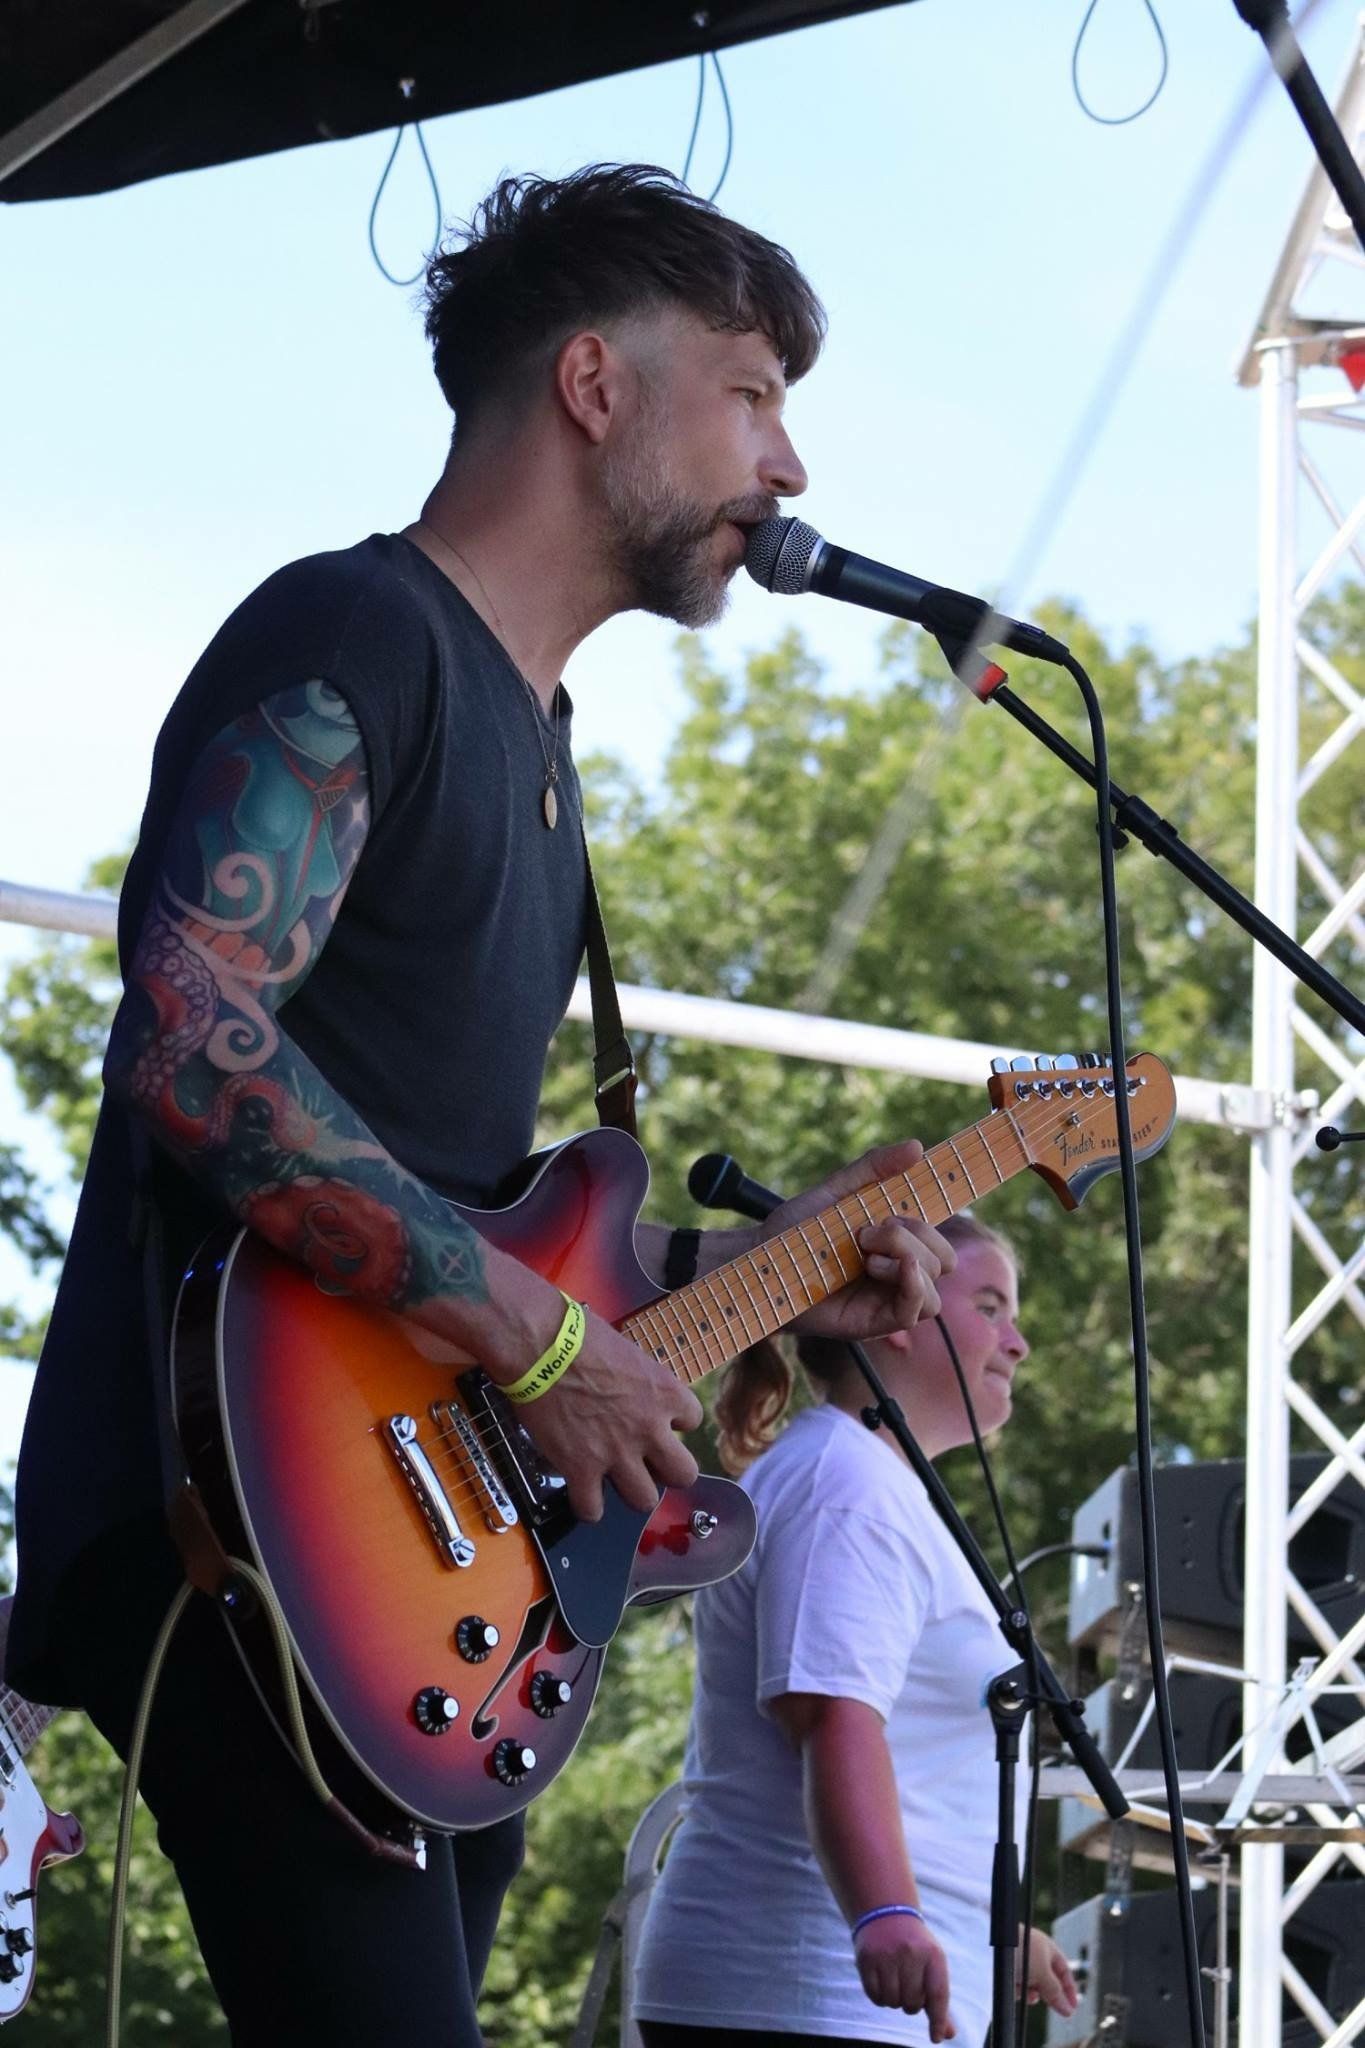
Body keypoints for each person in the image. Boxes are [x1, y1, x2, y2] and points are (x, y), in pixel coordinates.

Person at [7, 166, 955, 2046]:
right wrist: (539, 1348)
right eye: (757, 391)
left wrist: (759, 1266)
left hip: (446, 1569)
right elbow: (198, 1040)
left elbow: (493, 1197)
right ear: (596, 383)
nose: (792, 467)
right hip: (249, 1527)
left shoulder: (541, 750)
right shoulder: (360, 638)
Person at [632, 1212, 1080, 2048]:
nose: (1016, 1341)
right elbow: (831, 1716)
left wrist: (983, 1926)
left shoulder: (872, 1482)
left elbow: (906, 1759)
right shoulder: (845, 1486)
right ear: (898, 1312)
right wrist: (884, 1912)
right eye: (989, 1305)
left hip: (827, 1993)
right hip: (802, 1993)